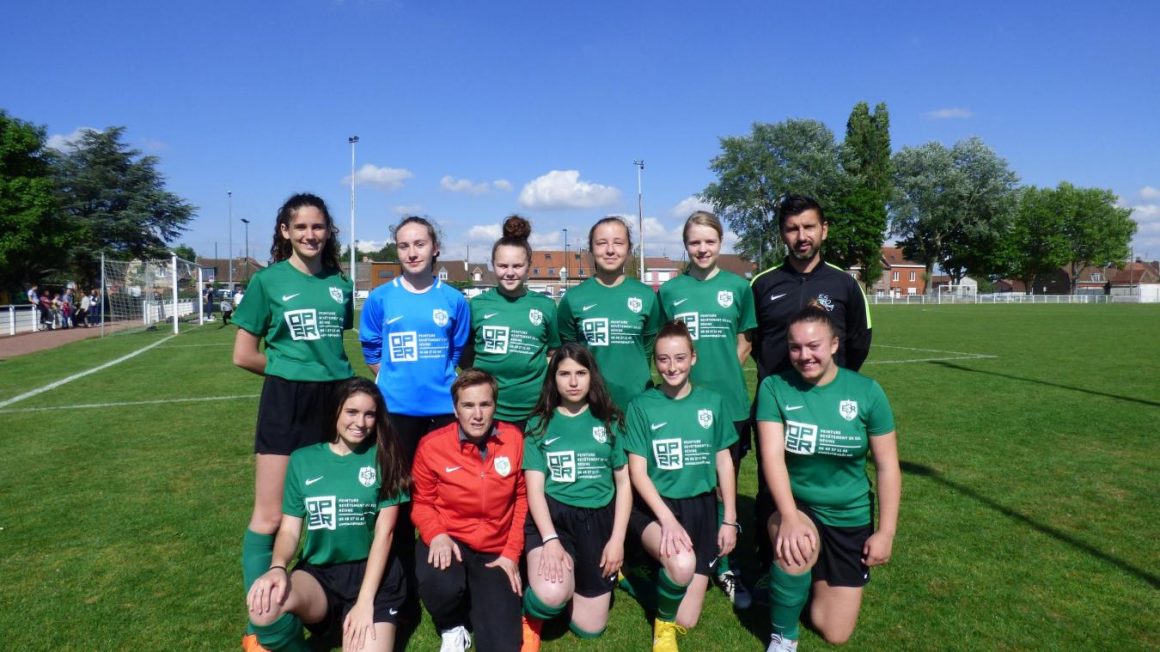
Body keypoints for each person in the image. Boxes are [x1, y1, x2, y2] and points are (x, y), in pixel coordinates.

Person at [232, 193, 355, 651]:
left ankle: (325, 593)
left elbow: (334, 349)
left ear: (328, 232)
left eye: (318, 227)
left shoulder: (339, 286)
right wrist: (289, 369)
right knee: (268, 516)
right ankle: (258, 623)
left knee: (328, 502)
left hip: (336, 399)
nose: (310, 235)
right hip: (286, 400)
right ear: (285, 231)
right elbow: (243, 354)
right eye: (300, 227)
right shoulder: (267, 282)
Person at [755, 305, 900, 651]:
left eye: (814, 346)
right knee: (796, 546)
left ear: (834, 344)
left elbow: (887, 466)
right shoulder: (775, 387)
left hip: (849, 514)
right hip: (799, 503)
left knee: (834, 631)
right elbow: (772, 456)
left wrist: (886, 532)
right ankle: (783, 636)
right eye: (795, 347)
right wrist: (788, 517)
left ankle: (802, 582)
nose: (804, 356)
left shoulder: (867, 392)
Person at [750, 195, 873, 569]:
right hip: (776, 405)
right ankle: (769, 561)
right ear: (782, 235)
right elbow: (749, 341)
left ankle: (830, 552)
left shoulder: (845, 285)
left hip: (829, 406)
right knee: (772, 482)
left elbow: (858, 343)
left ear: (824, 230)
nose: (801, 236)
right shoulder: (762, 284)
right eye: (792, 228)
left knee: (826, 475)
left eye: (808, 227)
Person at [247, 378, 411, 652]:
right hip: (321, 574)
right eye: (352, 412)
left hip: (374, 575)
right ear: (335, 410)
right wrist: (277, 567)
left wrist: (364, 601)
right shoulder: (303, 459)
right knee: (265, 607)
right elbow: (289, 529)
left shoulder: (386, 456)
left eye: (369, 414)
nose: (361, 422)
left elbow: (386, 534)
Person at [658, 210, 757, 609]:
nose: (702, 248)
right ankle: (682, 552)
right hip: (683, 404)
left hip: (729, 406)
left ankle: (726, 564)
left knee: (723, 486)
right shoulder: (669, 292)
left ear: (721, 243)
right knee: (687, 481)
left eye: (709, 241)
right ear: (686, 245)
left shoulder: (738, 287)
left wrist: (720, 377)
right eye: (695, 242)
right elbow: (663, 344)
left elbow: (745, 341)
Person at [622, 321, 738, 652]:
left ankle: (634, 580)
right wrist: (667, 520)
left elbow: (724, 462)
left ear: (693, 358)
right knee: (682, 566)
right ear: (654, 362)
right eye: (663, 359)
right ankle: (662, 628)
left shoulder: (712, 402)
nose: (671, 367)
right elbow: (638, 473)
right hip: (655, 508)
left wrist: (728, 517)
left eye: (679, 358)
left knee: (687, 618)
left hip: (700, 509)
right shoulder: (642, 405)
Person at [519, 343, 631, 650]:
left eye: (580, 373)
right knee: (550, 596)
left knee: (589, 628)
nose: (573, 381)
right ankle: (532, 616)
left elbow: (623, 484)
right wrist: (550, 540)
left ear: (591, 376)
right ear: (552, 379)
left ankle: (580, 582)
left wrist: (617, 539)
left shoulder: (609, 421)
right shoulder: (538, 424)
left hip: (598, 522)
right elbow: (535, 491)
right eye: (564, 373)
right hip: (556, 519)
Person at [410, 369, 527, 652]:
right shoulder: (432, 445)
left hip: (495, 549)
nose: (477, 414)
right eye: (468, 405)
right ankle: (453, 624)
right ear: (455, 408)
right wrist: (436, 534)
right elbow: (422, 502)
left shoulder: (513, 439)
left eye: (485, 404)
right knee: (440, 584)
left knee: (503, 646)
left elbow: (523, 499)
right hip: (451, 540)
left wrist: (511, 554)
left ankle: (481, 597)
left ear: (495, 406)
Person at [359, 215, 471, 461]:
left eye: (420, 244)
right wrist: (395, 378)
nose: (412, 253)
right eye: (404, 246)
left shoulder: (454, 299)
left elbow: (456, 350)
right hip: (395, 408)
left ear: (435, 248)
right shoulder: (380, 297)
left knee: (442, 485)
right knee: (398, 485)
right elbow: (372, 351)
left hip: (443, 408)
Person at [461, 215, 560, 431]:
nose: (510, 272)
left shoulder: (546, 306)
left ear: (528, 266)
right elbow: (464, 351)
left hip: (535, 409)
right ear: (493, 265)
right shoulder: (477, 305)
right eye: (502, 265)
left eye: (517, 266)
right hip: (488, 411)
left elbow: (554, 353)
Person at [557, 216, 661, 411]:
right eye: (602, 243)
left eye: (618, 243)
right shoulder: (573, 299)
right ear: (591, 250)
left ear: (629, 249)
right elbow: (567, 353)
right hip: (590, 403)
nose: (610, 250)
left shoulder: (647, 296)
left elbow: (648, 348)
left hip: (637, 402)